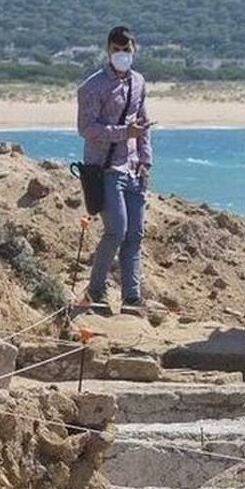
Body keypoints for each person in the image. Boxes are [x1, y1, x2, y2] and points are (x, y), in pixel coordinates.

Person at [77, 25, 153, 316]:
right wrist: (124, 133)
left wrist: (146, 160)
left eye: (127, 49)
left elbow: (143, 126)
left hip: (134, 169)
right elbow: (87, 128)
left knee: (135, 233)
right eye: (117, 49)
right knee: (116, 231)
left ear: (135, 50)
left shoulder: (138, 82)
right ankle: (95, 291)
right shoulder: (92, 87)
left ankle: (131, 298)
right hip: (105, 168)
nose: (122, 55)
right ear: (108, 50)